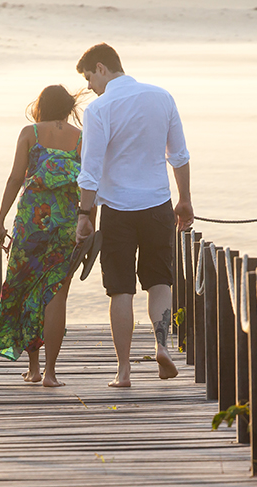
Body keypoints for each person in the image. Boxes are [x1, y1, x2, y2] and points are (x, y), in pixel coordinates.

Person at [73, 43, 193, 388]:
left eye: (89, 77)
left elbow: (90, 169)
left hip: (117, 210)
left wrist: (85, 213)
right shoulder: (161, 97)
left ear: (101, 68)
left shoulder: (100, 109)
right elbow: (179, 155)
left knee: (120, 290)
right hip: (157, 205)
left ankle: (123, 371)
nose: (90, 86)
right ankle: (161, 346)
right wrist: (184, 199)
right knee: (160, 281)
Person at [0, 85, 83, 388]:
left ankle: (34, 367)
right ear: (67, 107)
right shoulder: (81, 137)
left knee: (26, 289)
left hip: (32, 223)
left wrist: (0, 219)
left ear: (40, 106)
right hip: (67, 223)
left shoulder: (30, 133)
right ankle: (52, 374)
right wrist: (88, 222)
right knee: (56, 294)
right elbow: (90, 182)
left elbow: (16, 178)